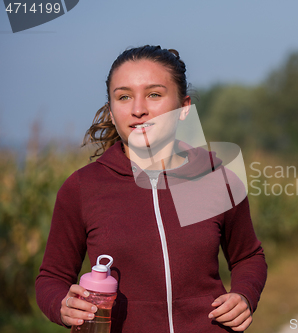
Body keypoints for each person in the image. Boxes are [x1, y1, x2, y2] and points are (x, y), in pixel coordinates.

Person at [35, 45, 267, 333]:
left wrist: (244, 295)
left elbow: (248, 256)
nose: (138, 109)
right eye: (124, 97)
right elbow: (51, 278)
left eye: (154, 94)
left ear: (184, 108)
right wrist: (62, 304)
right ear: (111, 111)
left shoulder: (214, 178)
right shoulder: (82, 188)